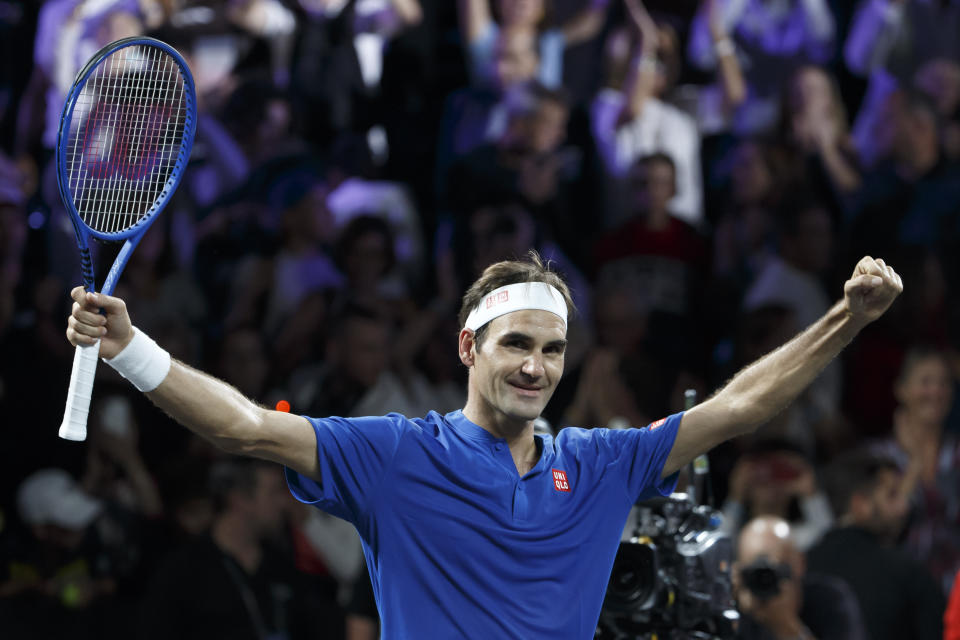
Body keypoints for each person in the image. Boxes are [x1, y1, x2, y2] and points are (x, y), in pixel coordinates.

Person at [64, 251, 903, 638]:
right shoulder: (391, 454)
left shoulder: (603, 461)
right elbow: (241, 425)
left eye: (551, 349)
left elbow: (740, 406)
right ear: (469, 347)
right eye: (515, 345)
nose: (536, 366)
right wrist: (131, 351)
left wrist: (848, 319)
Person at [807, 448, 946, 640]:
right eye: (892, 495)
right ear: (861, 505)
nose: (904, 507)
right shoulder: (906, 572)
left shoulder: (803, 567)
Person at [734, 515, 867, 640]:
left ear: (800, 563)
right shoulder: (732, 610)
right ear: (740, 572)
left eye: (774, 569)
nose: (764, 578)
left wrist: (788, 629)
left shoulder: (830, 599)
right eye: (754, 569)